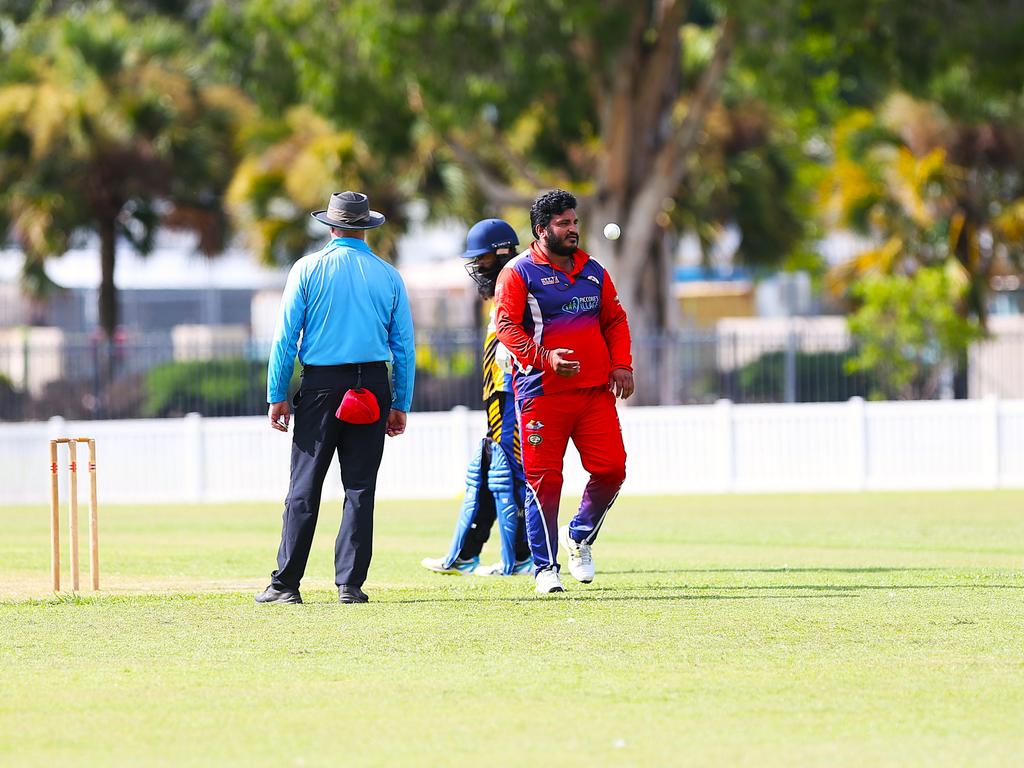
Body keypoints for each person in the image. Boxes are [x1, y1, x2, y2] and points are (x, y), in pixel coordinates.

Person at [256, 191, 415, 605]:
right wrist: (400, 402)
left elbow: (285, 337)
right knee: (360, 488)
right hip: (373, 386)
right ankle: (350, 585)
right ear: (366, 227)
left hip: (322, 388)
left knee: (304, 486)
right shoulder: (388, 274)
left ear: (331, 225)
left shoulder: (308, 269)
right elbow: (404, 348)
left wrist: (277, 394)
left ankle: (286, 585)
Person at [494, 189, 634, 594]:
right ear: (542, 230)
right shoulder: (518, 273)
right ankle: (544, 568)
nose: (573, 229)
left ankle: (581, 534)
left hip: (593, 392)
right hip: (541, 392)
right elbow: (507, 328)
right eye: (563, 224)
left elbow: (615, 319)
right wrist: (545, 357)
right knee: (544, 480)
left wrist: (621, 364)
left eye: (574, 222)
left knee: (612, 469)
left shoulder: (593, 270)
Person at [420, 219, 534, 577]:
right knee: (485, 472)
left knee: (507, 474)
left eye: (482, 258)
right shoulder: (505, 287)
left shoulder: (519, 282)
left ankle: (520, 557)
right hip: (498, 397)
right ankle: (465, 555)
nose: (476, 266)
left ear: (501, 252)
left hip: (512, 393)